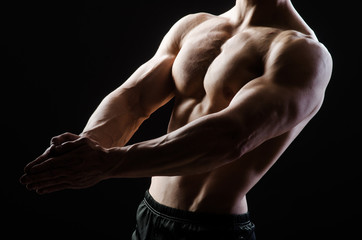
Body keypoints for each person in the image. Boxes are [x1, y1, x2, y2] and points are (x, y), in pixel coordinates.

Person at [20, 0, 332, 239]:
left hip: (213, 229)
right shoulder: (195, 27)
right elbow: (134, 98)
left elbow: (230, 137)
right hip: (149, 215)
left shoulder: (300, 52)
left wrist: (107, 164)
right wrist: (86, 148)